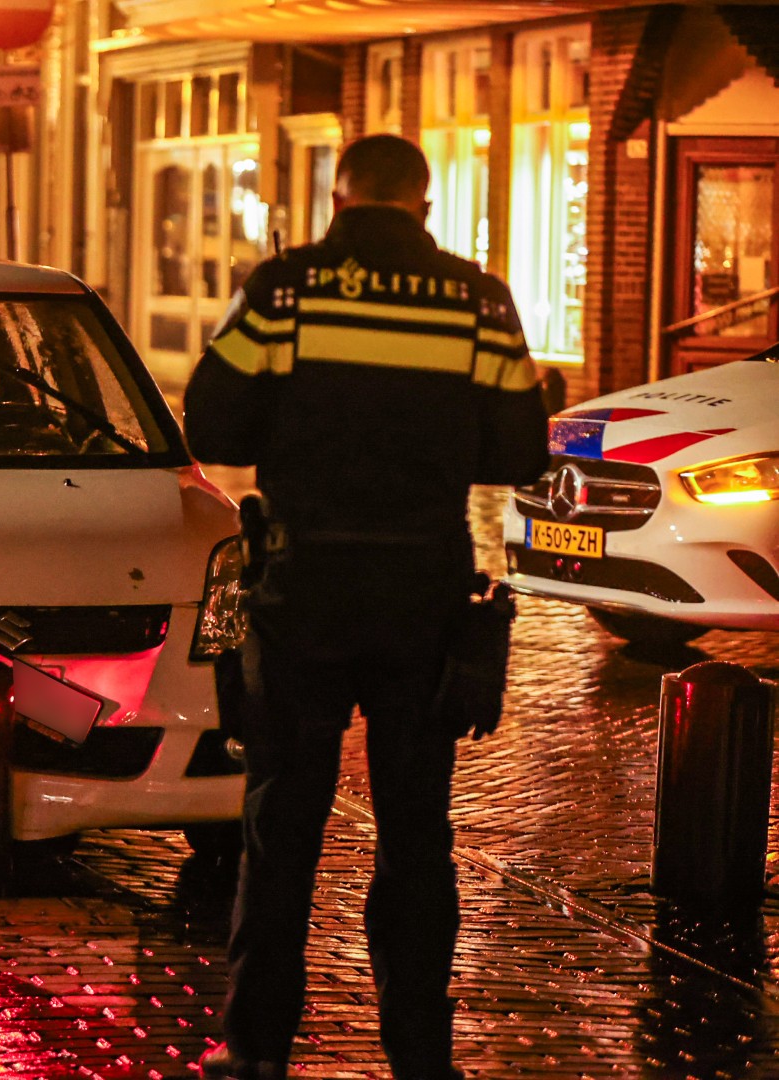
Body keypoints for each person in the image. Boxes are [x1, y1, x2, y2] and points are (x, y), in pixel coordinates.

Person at [183, 134, 549, 1080]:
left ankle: (257, 1051)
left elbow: (214, 424)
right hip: (422, 594)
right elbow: (517, 452)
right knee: (418, 831)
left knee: (281, 828)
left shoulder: (287, 290)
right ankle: (420, 1056)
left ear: (337, 201)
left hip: (303, 590)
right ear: (423, 208)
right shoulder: (479, 300)